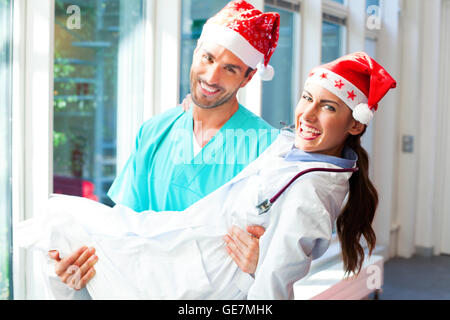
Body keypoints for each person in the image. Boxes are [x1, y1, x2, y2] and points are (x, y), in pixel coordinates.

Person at [17, 52, 396, 299]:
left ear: (355, 124)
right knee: (63, 226)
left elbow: (272, 287)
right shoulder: (288, 150)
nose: (308, 115)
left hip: (197, 277)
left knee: (62, 224)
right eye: (306, 98)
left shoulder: (295, 175)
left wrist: (257, 265)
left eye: (328, 106)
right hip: (175, 249)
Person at [46, 0, 281, 296]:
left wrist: (266, 261)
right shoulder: (154, 132)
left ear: (248, 77)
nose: (211, 77)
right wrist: (80, 262)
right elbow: (124, 230)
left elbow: (285, 248)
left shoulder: (267, 148)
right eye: (207, 58)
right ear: (195, 52)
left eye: (230, 69)